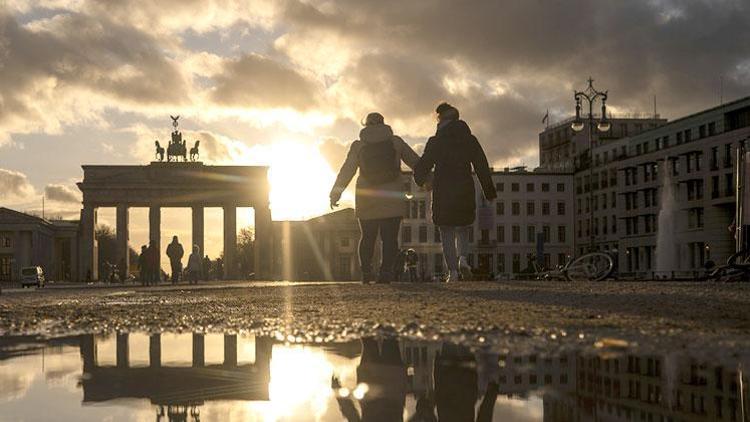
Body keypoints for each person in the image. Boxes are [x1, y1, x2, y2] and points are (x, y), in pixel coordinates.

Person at [330, 112, 421, 283]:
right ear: (383, 123)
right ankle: (385, 273)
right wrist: (428, 180)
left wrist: (336, 193)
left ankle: (366, 273)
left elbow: (347, 170)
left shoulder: (358, 146)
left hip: (367, 198)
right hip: (392, 197)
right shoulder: (396, 142)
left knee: (368, 237)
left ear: (366, 125)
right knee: (390, 239)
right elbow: (416, 162)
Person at [415, 103, 496, 282]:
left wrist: (420, 180)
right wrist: (489, 192)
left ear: (441, 119)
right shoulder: (469, 139)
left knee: (446, 230)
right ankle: (464, 259)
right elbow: (481, 164)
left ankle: (452, 272)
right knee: (462, 228)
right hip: (464, 188)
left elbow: (424, 164)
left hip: (443, 190)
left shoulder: (436, 141)